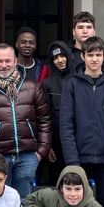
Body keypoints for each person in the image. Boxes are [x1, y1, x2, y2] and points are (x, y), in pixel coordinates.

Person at [0, 43, 52, 198]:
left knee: (25, 201)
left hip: (28, 156)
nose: (4, 65)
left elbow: (44, 120)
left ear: (15, 61)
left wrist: (41, 151)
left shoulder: (32, 86)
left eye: (7, 61)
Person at [59, 36, 104, 207]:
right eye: (90, 55)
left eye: (98, 55)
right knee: (79, 205)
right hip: (80, 157)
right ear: (83, 56)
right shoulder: (72, 84)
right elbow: (66, 125)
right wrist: (72, 160)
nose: (94, 59)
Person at [37, 40, 74, 183]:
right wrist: (48, 146)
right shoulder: (46, 84)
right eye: (55, 58)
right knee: (56, 184)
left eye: (62, 56)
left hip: (78, 145)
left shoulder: (80, 80)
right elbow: (43, 117)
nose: (60, 60)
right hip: (56, 147)